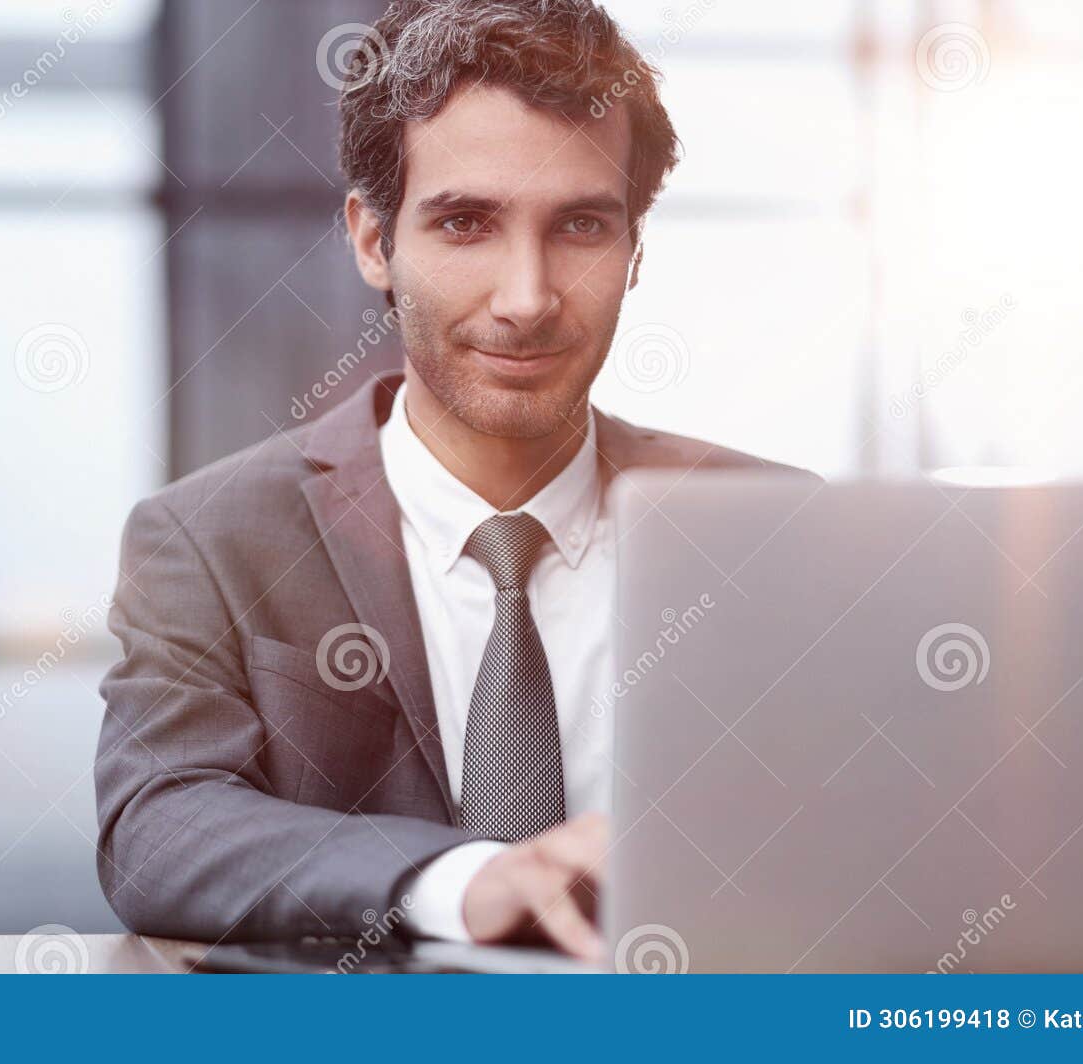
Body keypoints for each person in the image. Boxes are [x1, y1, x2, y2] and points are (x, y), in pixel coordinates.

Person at [94, 0, 815, 961]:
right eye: (467, 223)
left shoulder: (779, 531)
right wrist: (458, 881)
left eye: (583, 225)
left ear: (635, 249)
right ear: (371, 241)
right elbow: (159, 827)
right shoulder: (210, 537)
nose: (527, 298)